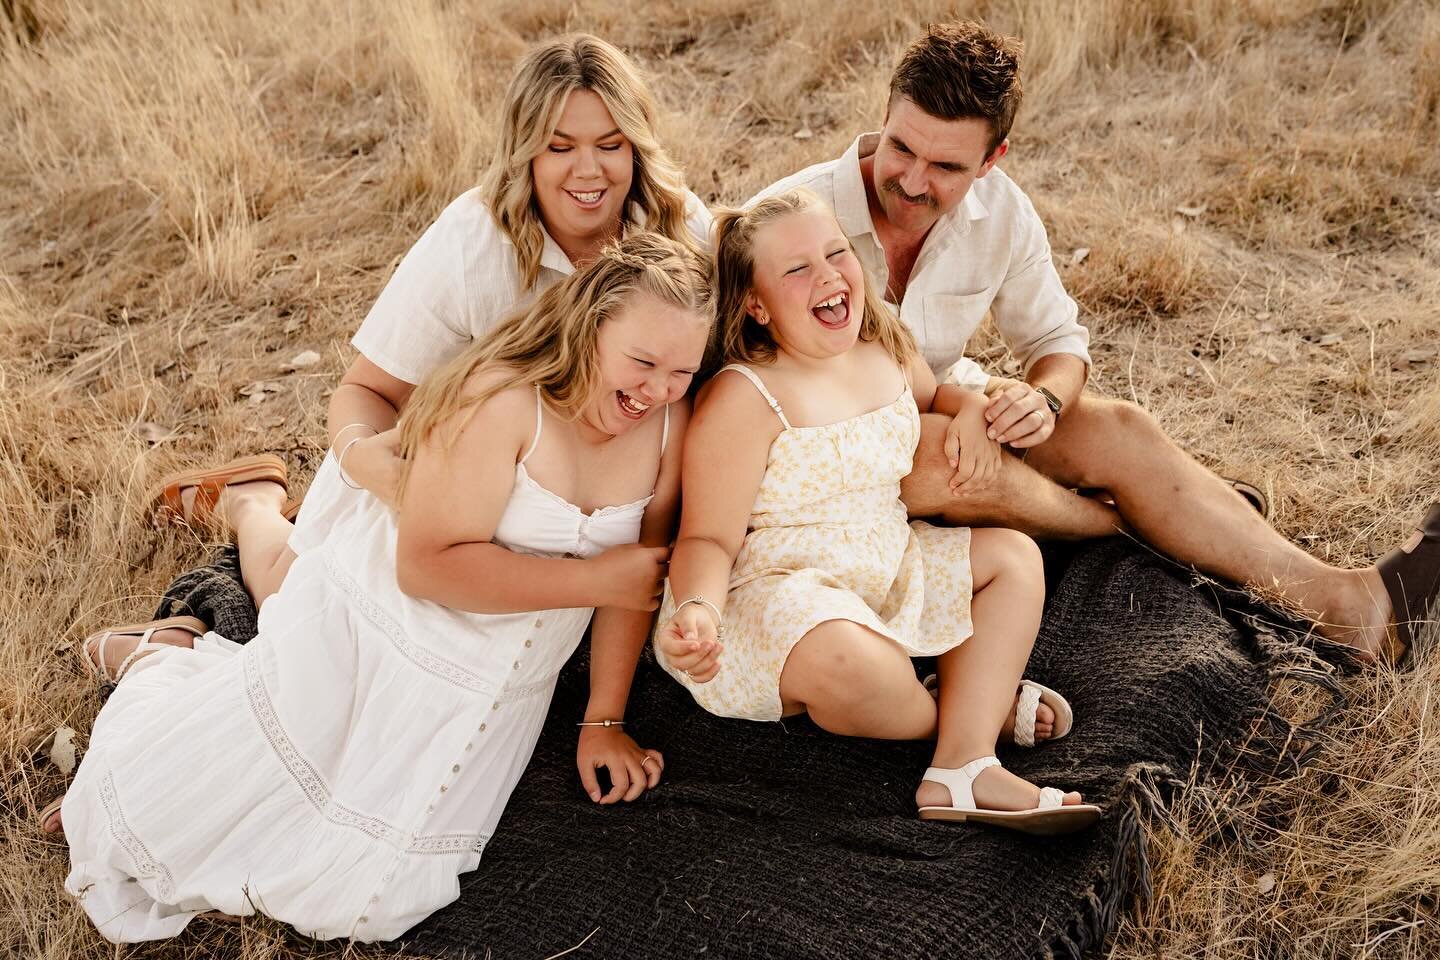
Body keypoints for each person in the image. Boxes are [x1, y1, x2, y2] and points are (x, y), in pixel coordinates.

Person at [50, 234, 712, 942]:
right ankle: (197, 597)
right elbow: (426, 567)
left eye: (681, 371)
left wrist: (603, 720)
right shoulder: (507, 403)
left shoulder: (669, 427)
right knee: (187, 818)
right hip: (384, 641)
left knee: (373, 898)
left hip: (492, 688)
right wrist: (590, 578)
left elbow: (633, 584)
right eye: (643, 362)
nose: (658, 390)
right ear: (590, 328)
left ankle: (208, 580)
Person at [747, 19, 1439, 662]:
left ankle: (1353, 607)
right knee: (933, 455)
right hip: (826, 462)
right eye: (902, 147)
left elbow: (1056, 340)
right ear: (886, 115)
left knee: (1117, 428)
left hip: (945, 405)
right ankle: (1123, 528)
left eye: (948, 168)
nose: (912, 181)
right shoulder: (789, 219)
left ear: (992, 159)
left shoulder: (1002, 213)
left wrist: (1042, 401)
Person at [137, 31, 711, 621]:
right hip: (458, 480)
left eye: (610, 144)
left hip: (599, 488)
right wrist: (374, 468)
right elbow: (366, 391)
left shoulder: (679, 225)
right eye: (559, 147)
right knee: (293, 604)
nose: (587, 171)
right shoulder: (473, 241)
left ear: (636, 148)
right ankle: (252, 503)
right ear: (525, 153)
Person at [655, 189, 1100, 834]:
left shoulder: (882, 351)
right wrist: (699, 609)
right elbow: (707, 538)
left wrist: (973, 410)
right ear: (756, 304)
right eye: (797, 269)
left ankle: (961, 764)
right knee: (850, 662)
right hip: (783, 595)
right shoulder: (745, 396)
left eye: (837, 252)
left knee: (1013, 556)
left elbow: (942, 394)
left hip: (887, 563)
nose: (829, 275)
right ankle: (964, 708)